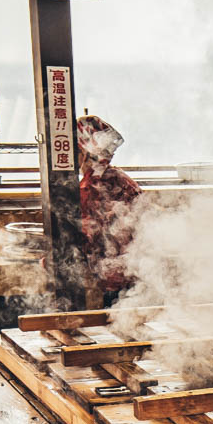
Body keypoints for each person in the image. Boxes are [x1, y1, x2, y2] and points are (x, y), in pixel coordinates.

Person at [75, 115, 143, 306]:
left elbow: (85, 240)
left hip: (111, 281)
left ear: (85, 152)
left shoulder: (89, 187)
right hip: (140, 273)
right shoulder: (123, 179)